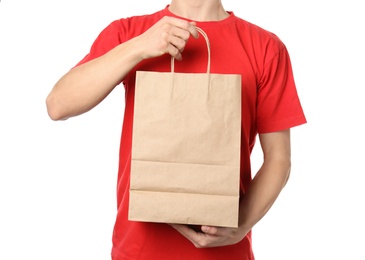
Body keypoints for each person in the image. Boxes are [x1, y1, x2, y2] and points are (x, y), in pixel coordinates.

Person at [46, 0, 307, 259]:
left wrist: (241, 225)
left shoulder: (266, 47)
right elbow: (58, 105)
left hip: (226, 253)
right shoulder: (130, 32)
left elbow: (279, 159)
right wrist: (140, 47)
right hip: (137, 252)